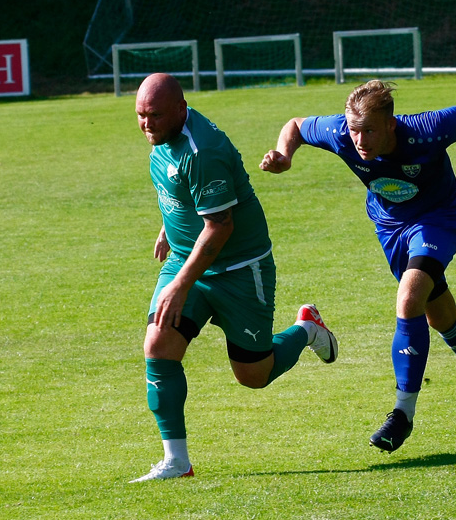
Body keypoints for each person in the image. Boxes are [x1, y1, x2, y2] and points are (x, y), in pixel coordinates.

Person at [260, 80, 456, 453]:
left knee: (409, 299)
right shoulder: (339, 133)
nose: (359, 139)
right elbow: (296, 127)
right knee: (437, 313)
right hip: (391, 227)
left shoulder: (427, 129)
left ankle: (402, 413)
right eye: (354, 130)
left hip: (437, 219)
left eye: (369, 130)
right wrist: (284, 154)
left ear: (390, 125)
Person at [130, 73, 338, 482]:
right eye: (140, 115)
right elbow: (177, 191)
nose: (146, 124)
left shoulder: (203, 150)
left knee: (253, 376)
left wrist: (180, 283)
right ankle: (176, 461)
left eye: (154, 114)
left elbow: (220, 227)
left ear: (180, 109)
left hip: (240, 267)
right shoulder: (163, 137)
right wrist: (169, 229)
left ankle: (306, 329)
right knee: (158, 343)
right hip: (190, 258)